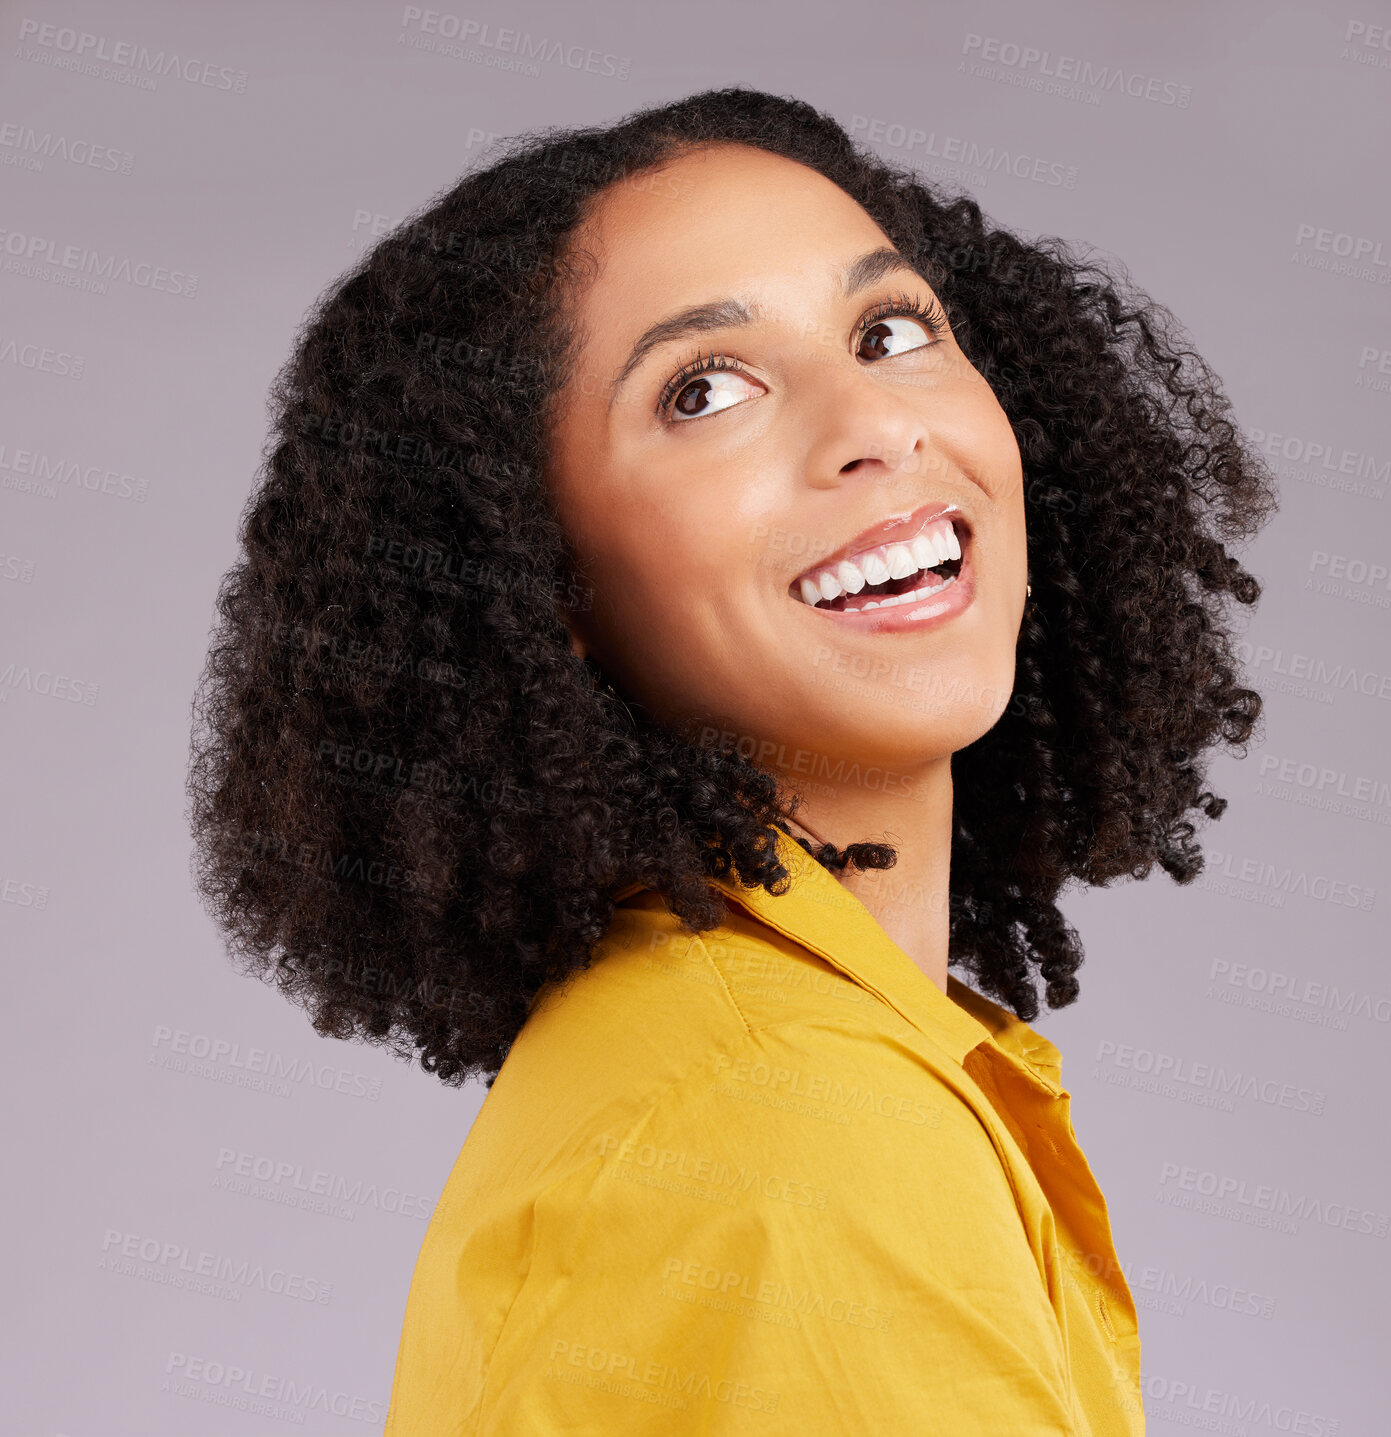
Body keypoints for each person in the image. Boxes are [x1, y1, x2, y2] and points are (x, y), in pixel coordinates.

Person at [187, 85, 1278, 1433]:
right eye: (704, 390)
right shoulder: (805, 1135)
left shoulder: (719, 1052)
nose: (874, 423)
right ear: (548, 584)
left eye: (890, 330)